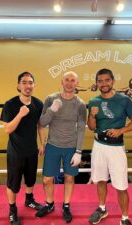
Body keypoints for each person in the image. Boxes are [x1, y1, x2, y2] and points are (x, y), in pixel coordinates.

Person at [87, 68, 132, 225]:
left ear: (113, 81)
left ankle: (125, 217)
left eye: (106, 80)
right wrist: (91, 115)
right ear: (96, 83)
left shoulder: (124, 100)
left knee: (121, 185)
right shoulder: (93, 101)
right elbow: (91, 127)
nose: (103, 84)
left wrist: (121, 130)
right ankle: (102, 208)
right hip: (99, 146)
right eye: (100, 81)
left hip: (116, 148)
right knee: (101, 180)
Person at [36, 71, 87, 223]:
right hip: (52, 145)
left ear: (77, 83)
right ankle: (50, 203)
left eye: (73, 80)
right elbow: (42, 123)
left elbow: (82, 128)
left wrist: (78, 151)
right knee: (47, 179)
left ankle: (66, 205)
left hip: (71, 147)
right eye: (67, 80)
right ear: (61, 81)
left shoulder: (80, 104)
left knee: (69, 178)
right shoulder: (51, 99)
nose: (69, 83)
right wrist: (52, 110)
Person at [0, 72, 45, 225]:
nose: (28, 86)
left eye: (31, 82)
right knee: (13, 183)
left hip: (32, 150)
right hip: (16, 152)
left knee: (31, 179)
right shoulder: (10, 104)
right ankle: (12, 210)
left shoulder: (38, 104)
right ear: (18, 86)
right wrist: (20, 114)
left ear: (34, 85)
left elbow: (40, 126)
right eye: (24, 82)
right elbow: (7, 129)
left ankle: (29, 200)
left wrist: (42, 144)